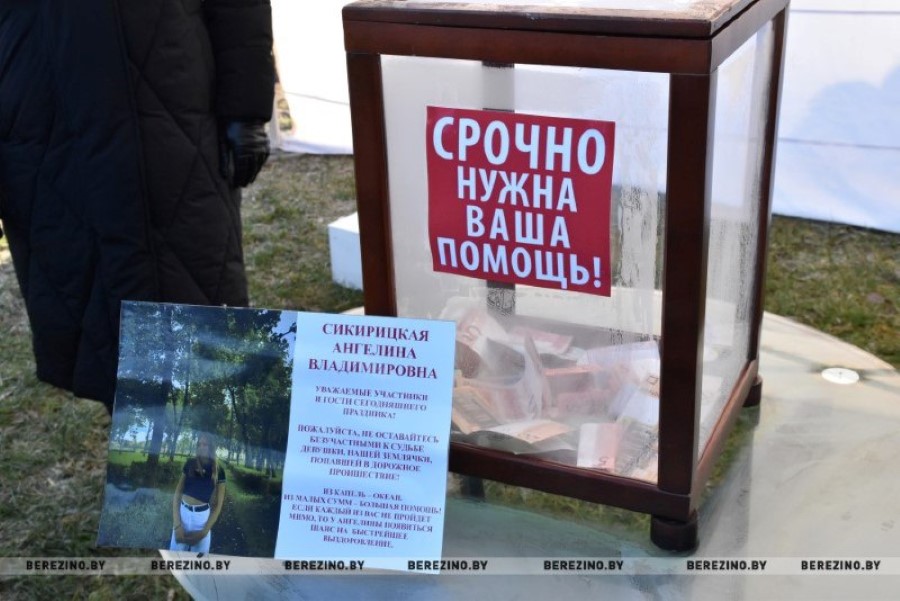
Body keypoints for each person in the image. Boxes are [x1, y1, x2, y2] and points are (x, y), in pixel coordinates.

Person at [0, 1, 275, 412]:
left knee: (197, 305)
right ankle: (143, 432)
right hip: (43, 124)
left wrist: (246, 107)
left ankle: (210, 435)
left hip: (169, 111)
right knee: (94, 316)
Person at [171, 432, 226, 554]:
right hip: (183, 515)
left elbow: (218, 504)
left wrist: (204, 533)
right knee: (174, 558)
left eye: (205, 444)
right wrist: (177, 525)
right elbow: (177, 493)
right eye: (199, 444)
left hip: (201, 520)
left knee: (198, 562)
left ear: (211, 447)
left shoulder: (219, 470)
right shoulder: (190, 463)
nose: (201, 447)